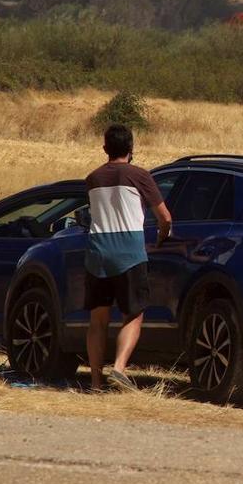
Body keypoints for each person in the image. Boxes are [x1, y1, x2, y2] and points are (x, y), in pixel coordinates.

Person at [84, 124, 172, 391]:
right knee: (133, 314)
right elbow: (165, 217)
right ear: (131, 149)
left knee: (98, 319)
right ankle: (119, 368)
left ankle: (96, 383)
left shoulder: (92, 178)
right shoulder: (140, 175)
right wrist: (162, 235)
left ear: (104, 149)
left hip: (98, 252)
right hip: (129, 253)